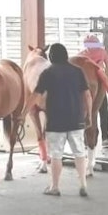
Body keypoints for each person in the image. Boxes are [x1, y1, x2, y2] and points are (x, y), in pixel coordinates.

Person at [34, 43, 92, 197]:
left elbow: (37, 97)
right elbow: (87, 95)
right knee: (80, 153)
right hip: (76, 119)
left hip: (55, 121)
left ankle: (55, 187)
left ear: (51, 57)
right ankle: (83, 185)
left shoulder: (47, 73)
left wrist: (25, 111)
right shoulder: (78, 71)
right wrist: (90, 115)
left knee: (56, 155)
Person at [78, 34, 108, 148]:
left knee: (88, 114)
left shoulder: (82, 55)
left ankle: (87, 139)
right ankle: (104, 138)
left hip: (86, 89)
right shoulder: (98, 53)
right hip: (99, 87)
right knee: (102, 112)